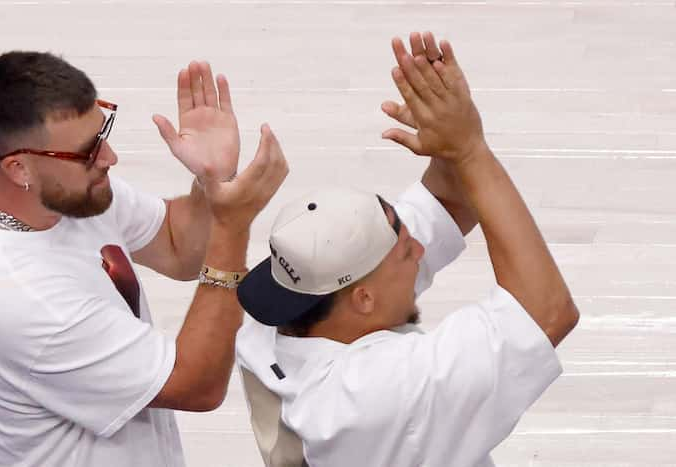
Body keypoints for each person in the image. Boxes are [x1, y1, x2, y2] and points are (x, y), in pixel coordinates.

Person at [235, 32, 580, 467]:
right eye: (405, 253)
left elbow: (448, 204)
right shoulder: (374, 396)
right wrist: (470, 149)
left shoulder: (280, 318)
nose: (419, 249)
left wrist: (450, 131)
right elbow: (546, 310)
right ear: (363, 297)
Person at [0, 52, 288, 466]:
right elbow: (197, 385)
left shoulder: (37, 193)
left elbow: (177, 245)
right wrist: (231, 228)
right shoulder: (25, 302)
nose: (108, 157)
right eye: (86, 151)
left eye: (103, 130)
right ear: (18, 168)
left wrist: (212, 181)